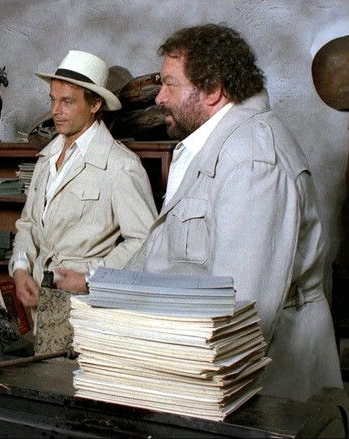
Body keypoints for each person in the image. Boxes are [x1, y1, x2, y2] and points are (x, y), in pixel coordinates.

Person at [126, 24, 342, 401]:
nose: (159, 97)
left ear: (212, 90)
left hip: (268, 388)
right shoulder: (218, 145)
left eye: (170, 84)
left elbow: (244, 311)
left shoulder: (251, 161)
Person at [9, 50, 156, 354]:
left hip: (86, 308)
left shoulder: (121, 166)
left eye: (67, 102)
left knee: (75, 380)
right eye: (53, 100)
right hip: (40, 304)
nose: (56, 111)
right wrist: (21, 267)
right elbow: (29, 223)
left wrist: (92, 278)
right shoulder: (46, 159)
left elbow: (145, 242)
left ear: (95, 105)